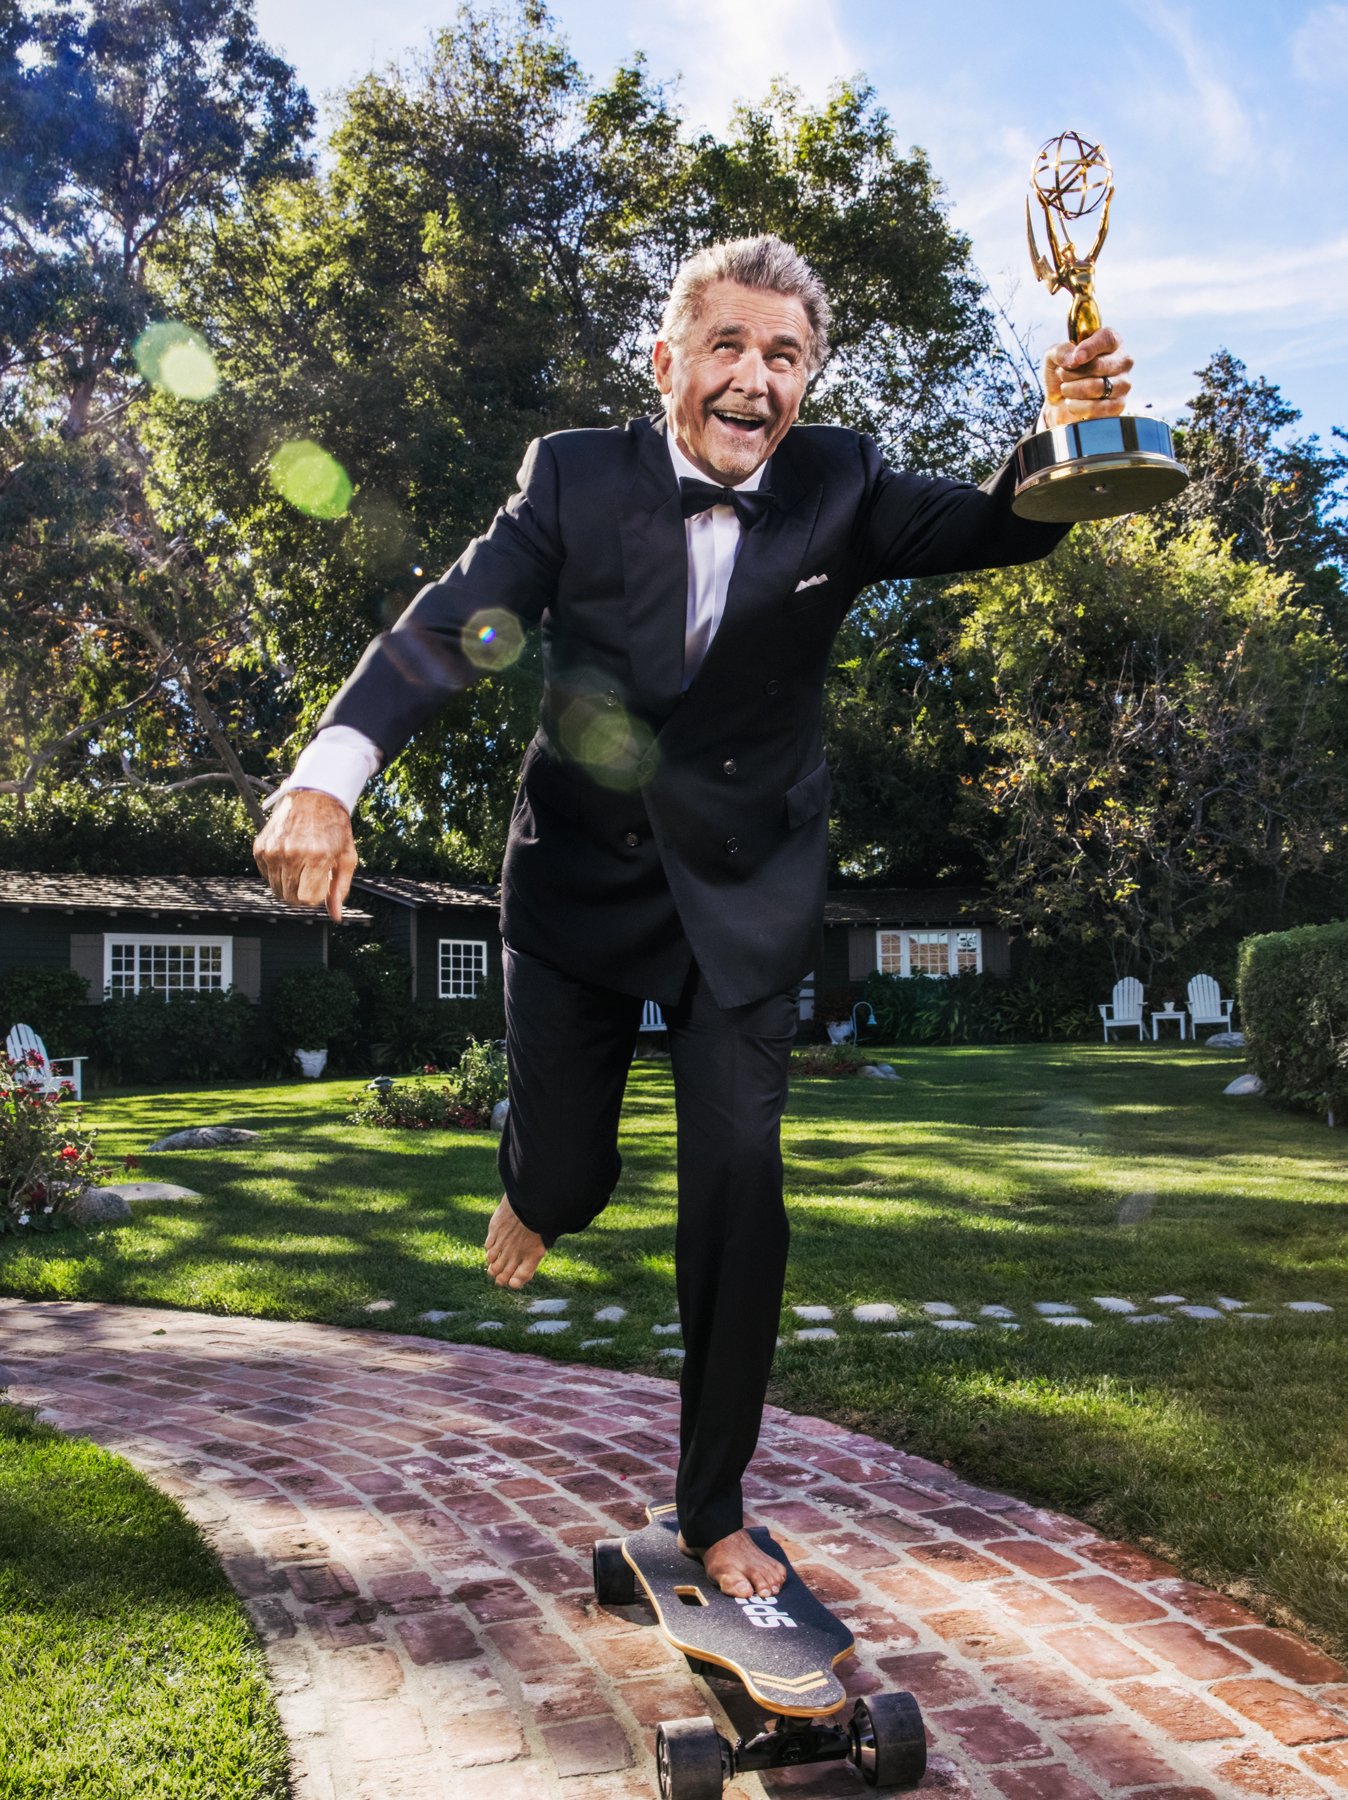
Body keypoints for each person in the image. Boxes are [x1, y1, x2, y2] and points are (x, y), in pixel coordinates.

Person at [254, 234, 1132, 1601]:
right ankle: (538, 1183)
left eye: (784, 356)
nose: (753, 379)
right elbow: (455, 626)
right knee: (571, 1180)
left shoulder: (839, 483)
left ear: (810, 379)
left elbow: (990, 526)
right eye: (727, 347)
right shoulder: (574, 478)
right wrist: (330, 776)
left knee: (740, 1182)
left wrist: (1062, 435)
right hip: (581, 894)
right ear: (667, 361)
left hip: (743, 897)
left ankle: (714, 1506)